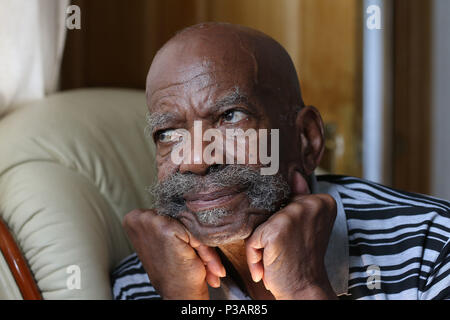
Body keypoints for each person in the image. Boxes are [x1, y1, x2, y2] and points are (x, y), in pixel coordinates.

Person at [111, 22, 450, 300]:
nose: (197, 160)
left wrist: (305, 291)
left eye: (231, 116)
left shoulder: (433, 250)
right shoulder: (143, 282)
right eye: (168, 134)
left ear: (306, 139)